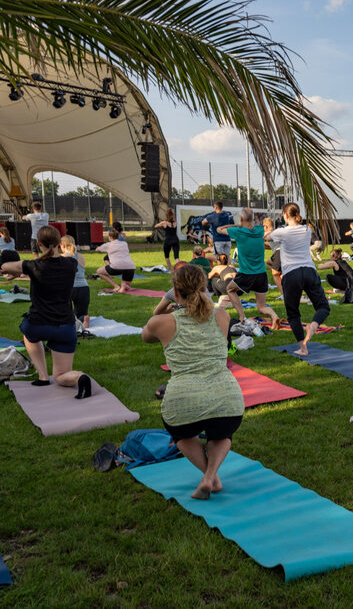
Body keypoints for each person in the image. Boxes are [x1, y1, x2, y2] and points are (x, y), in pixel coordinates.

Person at [142, 264, 243, 500]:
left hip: (183, 402)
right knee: (221, 435)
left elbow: (146, 335)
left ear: (175, 292)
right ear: (206, 288)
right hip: (228, 400)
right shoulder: (222, 315)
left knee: (184, 435)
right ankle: (210, 477)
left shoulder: (163, 322)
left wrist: (166, 304)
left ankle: (211, 478)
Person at [1, 225, 91, 397]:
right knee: (61, 376)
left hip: (37, 324)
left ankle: (43, 376)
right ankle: (80, 377)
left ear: (39, 243)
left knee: (27, 332)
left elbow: (6, 265)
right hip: (65, 327)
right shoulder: (71, 264)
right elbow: (66, 258)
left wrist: (16, 272)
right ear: (59, 243)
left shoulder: (33, 265)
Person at [265, 203, 331, 355]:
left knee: (293, 313)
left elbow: (267, 236)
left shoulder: (282, 232)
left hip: (291, 274)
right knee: (323, 307)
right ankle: (313, 326)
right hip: (309, 271)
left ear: (285, 216)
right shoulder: (307, 229)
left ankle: (303, 348)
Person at [219, 208, 280, 330]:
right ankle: (274, 315)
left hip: (246, 274)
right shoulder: (259, 230)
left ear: (241, 219)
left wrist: (236, 224)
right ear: (252, 219)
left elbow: (219, 229)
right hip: (261, 274)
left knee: (230, 290)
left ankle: (242, 317)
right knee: (261, 307)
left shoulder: (237, 230)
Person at [59, 235, 90, 332]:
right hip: (84, 288)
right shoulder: (81, 256)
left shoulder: (61, 258)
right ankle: (84, 318)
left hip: (69, 288)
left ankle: (75, 319)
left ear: (62, 245)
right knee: (81, 313)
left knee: (63, 313)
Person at [96, 228, 135, 293]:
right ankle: (124, 286)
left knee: (99, 271)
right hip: (130, 268)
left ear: (110, 237)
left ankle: (116, 286)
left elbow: (97, 249)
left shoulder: (108, 245)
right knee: (124, 288)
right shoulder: (125, 244)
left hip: (116, 267)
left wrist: (97, 248)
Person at [262, 217, 282, 298]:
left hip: (279, 253)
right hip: (280, 253)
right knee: (268, 262)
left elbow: (263, 240)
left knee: (275, 275)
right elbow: (271, 245)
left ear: (266, 226)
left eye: (263, 226)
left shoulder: (267, 233)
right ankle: (280, 273)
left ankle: (284, 295)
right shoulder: (275, 232)